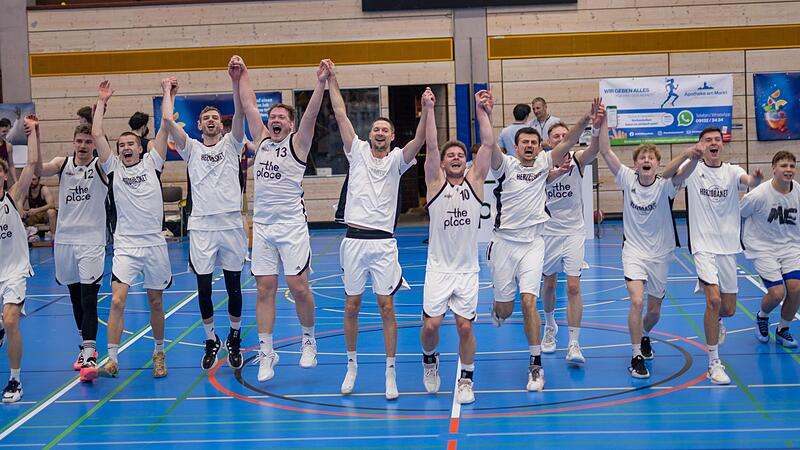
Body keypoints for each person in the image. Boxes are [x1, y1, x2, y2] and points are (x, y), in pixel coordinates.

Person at [327, 59, 428, 399]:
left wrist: (427, 109)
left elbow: (420, 139)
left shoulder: (398, 160)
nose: (380, 132)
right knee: (351, 305)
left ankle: (390, 371)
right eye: (376, 129)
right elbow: (340, 114)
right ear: (370, 134)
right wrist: (332, 80)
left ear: (392, 136)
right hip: (354, 241)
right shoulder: (356, 151)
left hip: (383, 244)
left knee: (386, 306)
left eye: (385, 130)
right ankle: (351, 366)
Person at [487, 93, 593, 392]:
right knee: (506, 310)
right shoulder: (506, 165)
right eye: (525, 142)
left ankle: (535, 365)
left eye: (534, 142)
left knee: (528, 301)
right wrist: (486, 112)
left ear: (539, 146)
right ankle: (498, 308)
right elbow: (488, 143)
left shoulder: (546, 162)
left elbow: (568, 141)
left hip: (534, 243)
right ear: (516, 146)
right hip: (504, 243)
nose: (530, 145)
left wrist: (586, 119)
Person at [235, 55, 326, 381]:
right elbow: (248, 104)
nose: (274, 120)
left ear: (290, 125)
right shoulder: (261, 141)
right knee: (264, 289)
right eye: (272, 116)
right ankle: (266, 352)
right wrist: (242, 73)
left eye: (281, 117)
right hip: (263, 227)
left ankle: (308, 340)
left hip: (291, 226)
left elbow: (311, 114)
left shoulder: (298, 143)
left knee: (298, 286)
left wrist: (320, 83)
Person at [161, 71, 248, 372]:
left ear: (222, 125)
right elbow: (168, 120)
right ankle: (211, 339)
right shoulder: (191, 149)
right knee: (204, 288)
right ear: (199, 125)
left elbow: (240, 113)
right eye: (206, 118)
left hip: (231, 224)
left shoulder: (233, 144)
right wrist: (167, 90)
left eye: (215, 118)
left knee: (234, 286)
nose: (211, 120)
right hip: (201, 227)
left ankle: (234, 337)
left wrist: (235, 81)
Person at [664, 126, 763, 384]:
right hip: (702, 245)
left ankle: (717, 319)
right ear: (701, 145)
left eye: (717, 139)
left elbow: (749, 182)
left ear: (722, 145)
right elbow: (668, 175)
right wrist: (688, 155)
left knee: (728, 308)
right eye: (708, 140)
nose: (713, 143)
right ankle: (713, 363)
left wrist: (756, 179)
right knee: (713, 300)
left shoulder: (732, 171)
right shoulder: (693, 170)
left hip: (728, 246)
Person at [92, 80, 172, 379]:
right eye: (121, 145)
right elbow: (97, 134)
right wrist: (102, 102)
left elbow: (165, 126)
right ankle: (112, 359)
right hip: (125, 244)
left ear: (140, 148)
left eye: (130, 144)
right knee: (116, 299)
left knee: (155, 301)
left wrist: (167, 93)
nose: (126, 148)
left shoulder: (153, 163)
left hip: (154, 244)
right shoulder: (113, 168)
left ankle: (159, 352)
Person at [601, 141, 702, 378]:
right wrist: (599, 125)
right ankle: (636, 355)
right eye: (642, 157)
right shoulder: (626, 179)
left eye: (651, 158)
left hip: (660, 254)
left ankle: (644, 333)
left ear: (658, 164)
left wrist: (694, 157)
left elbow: (684, 172)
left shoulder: (665, 185)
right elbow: (605, 151)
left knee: (654, 312)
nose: (646, 160)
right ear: (635, 164)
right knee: (637, 301)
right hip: (634, 251)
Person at [420, 90, 491, 404]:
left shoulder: (475, 183)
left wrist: (481, 111)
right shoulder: (435, 184)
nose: (455, 157)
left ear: (466, 160)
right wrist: (428, 109)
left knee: (464, 327)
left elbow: (487, 145)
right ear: (443, 161)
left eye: (460, 154)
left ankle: (466, 379)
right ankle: (429, 359)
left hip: (466, 270)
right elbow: (431, 145)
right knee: (431, 326)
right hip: (438, 269)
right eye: (450, 154)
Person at [37, 119, 107, 382]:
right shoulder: (62, 164)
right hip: (65, 241)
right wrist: (35, 136)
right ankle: (84, 345)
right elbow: (38, 168)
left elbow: (102, 146)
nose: (83, 145)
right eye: (79, 141)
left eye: (88, 141)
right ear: (73, 142)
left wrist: (101, 113)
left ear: (94, 144)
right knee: (75, 298)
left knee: (89, 298)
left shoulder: (101, 166)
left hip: (91, 241)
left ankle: (90, 355)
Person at [539, 101, 605, 363]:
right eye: (556, 136)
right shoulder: (541, 163)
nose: (561, 139)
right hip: (548, 232)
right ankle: (549, 325)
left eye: (564, 135)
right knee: (549, 284)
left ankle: (574, 343)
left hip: (574, 232)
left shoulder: (578, 160)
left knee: (574, 287)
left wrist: (596, 127)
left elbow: (595, 149)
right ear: (548, 142)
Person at [740, 151, 800, 347]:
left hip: (791, 247)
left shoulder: (798, 192)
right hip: (763, 248)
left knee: (796, 289)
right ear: (774, 168)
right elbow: (739, 213)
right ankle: (762, 316)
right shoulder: (758, 195)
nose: (788, 170)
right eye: (784, 166)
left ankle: (783, 329)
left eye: (792, 166)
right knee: (776, 293)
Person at [0, 115, 39, 402]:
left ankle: (15, 380)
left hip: (13, 271)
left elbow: (32, 163)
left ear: (3, 176)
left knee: (12, 320)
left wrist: (33, 132)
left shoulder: (12, 198)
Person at [22, 174, 57, 239]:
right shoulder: (27, 190)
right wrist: (22, 211)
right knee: (19, 213)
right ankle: (29, 235)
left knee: (51, 212)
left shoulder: (44, 189)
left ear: (39, 179)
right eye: (30, 180)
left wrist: (36, 210)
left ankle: (54, 236)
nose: (31, 182)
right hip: (34, 215)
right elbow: (19, 203)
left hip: (44, 214)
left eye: (34, 179)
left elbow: (52, 204)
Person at [0, 118, 18, 187]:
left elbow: (11, 165)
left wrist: (15, 182)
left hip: (2, 179)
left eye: (8, 131)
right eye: (4, 131)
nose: (6, 134)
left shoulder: (8, 146)